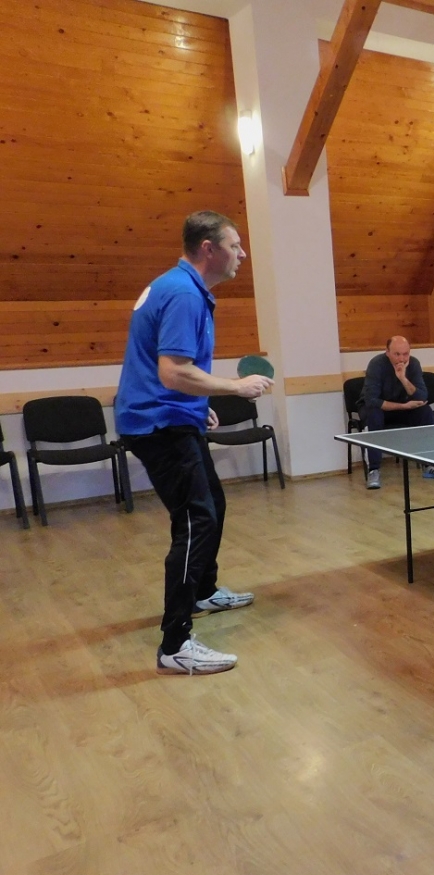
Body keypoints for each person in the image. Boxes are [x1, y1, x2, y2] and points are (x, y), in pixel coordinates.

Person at [116, 211, 273, 676]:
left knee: (212, 505)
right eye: (235, 245)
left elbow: (161, 367)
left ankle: (203, 591)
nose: (242, 254)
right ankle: (175, 644)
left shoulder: (179, 286)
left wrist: (195, 404)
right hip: (158, 423)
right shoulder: (184, 293)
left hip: (171, 415)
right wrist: (235, 387)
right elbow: (173, 371)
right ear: (208, 249)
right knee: (195, 520)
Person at [360, 336, 434, 489]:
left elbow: (422, 396)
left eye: (405, 354)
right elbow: (372, 401)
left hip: (403, 407)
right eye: (397, 354)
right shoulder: (376, 364)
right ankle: (373, 470)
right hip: (380, 409)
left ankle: (429, 465)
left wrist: (403, 378)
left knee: (425, 411)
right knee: (374, 414)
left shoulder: (413, 364)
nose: (401, 359)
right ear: (387, 352)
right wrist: (404, 406)